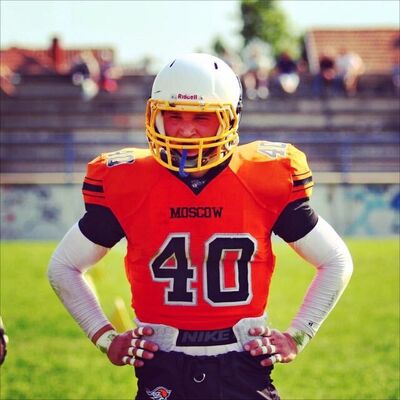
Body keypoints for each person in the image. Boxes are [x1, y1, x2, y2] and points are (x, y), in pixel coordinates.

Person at [48, 53, 353, 400]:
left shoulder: (262, 177)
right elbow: (63, 266)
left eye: (202, 117)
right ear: (155, 115)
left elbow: (336, 261)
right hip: (162, 360)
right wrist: (105, 337)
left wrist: (297, 335)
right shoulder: (129, 180)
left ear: (230, 118)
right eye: (174, 115)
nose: (185, 129)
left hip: (243, 359)